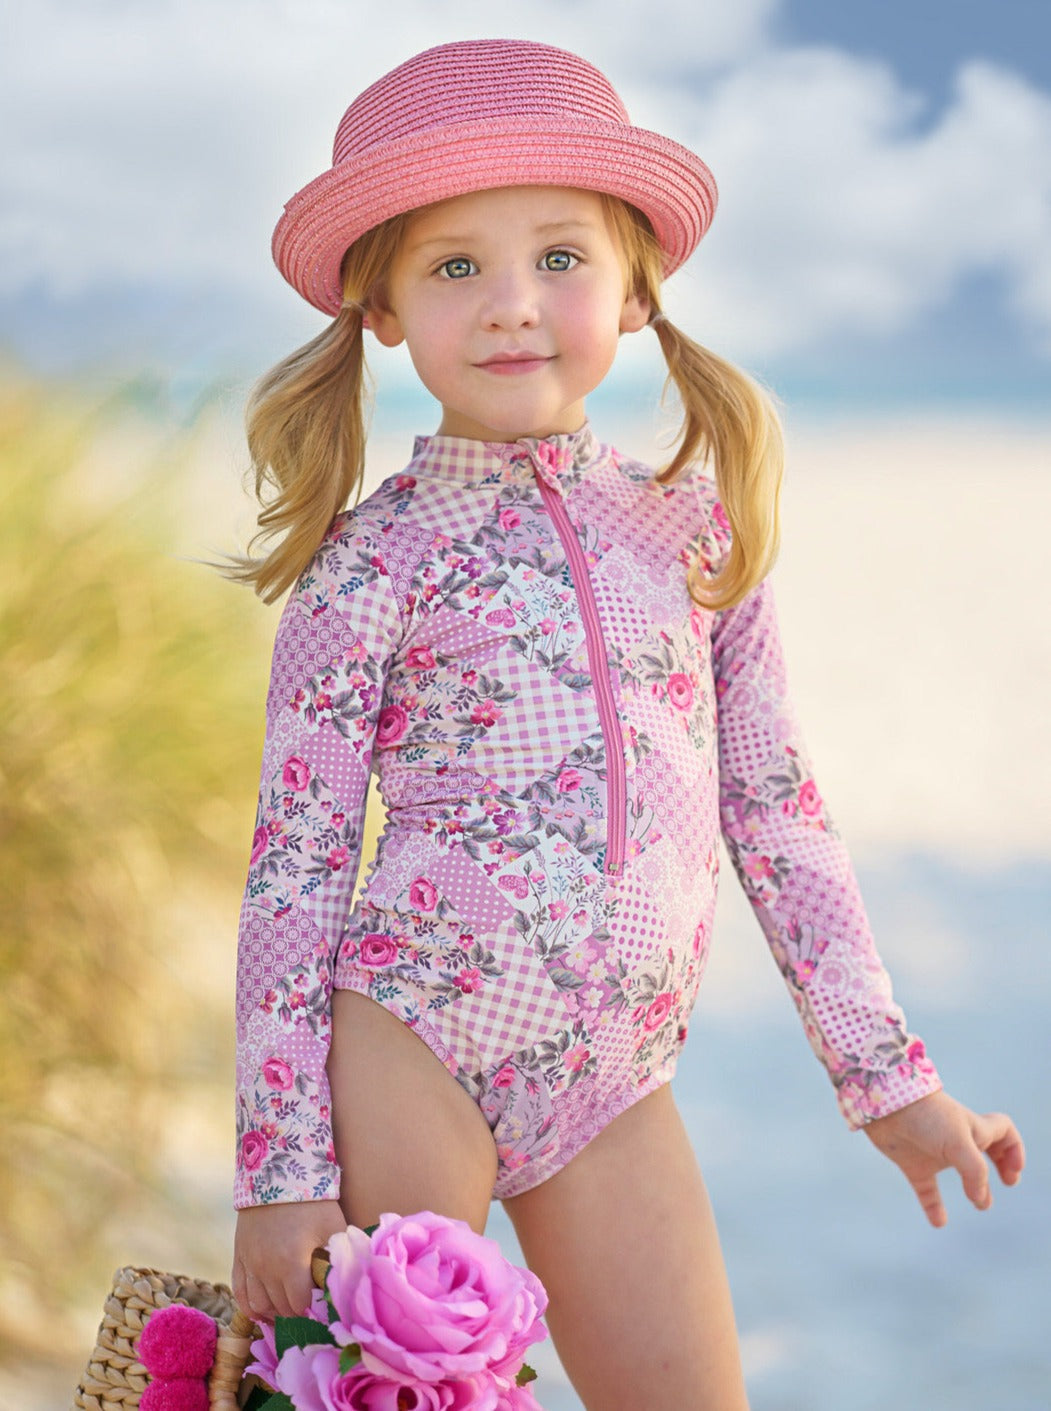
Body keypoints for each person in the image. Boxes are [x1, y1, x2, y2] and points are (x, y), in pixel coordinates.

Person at [229, 39, 1025, 1410]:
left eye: (560, 258)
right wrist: (282, 1173)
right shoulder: (368, 568)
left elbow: (778, 817)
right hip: (413, 1045)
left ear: (637, 287)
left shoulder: (694, 537)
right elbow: (294, 876)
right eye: (455, 267)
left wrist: (889, 1083)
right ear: (383, 308)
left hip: (612, 1081)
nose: (511, 306)